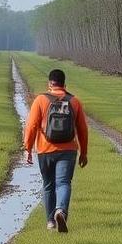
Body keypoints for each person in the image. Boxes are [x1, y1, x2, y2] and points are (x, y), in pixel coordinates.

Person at [23, 68, 89, 232]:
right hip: (68, 150)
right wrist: (84, 152)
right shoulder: (74, 101)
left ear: (49, 84)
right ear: (64, 84)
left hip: (45, 150)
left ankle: (50, 221)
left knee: (48, 185)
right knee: (64, 183)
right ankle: (61, 210)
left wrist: (28, 149)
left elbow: (31, 126)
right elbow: (82, 129)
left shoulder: (40, 100)